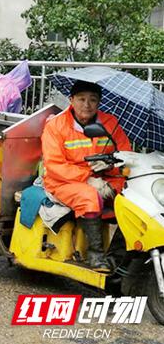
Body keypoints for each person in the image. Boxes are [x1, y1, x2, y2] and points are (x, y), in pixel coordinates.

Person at [42, 80, 132, 272]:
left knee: (134, 200)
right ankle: (96, 256)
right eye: (81, 99)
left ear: (99, 103)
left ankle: (118, 257)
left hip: (105, 179)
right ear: (71, 100)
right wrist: (88, 178)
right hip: (63, 182)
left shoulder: (110, 123)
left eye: (93, 100)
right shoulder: (56, 126)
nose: (87, 105)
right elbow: (54, 166)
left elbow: (126, 155)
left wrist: (110, 166)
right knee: (89, 197)